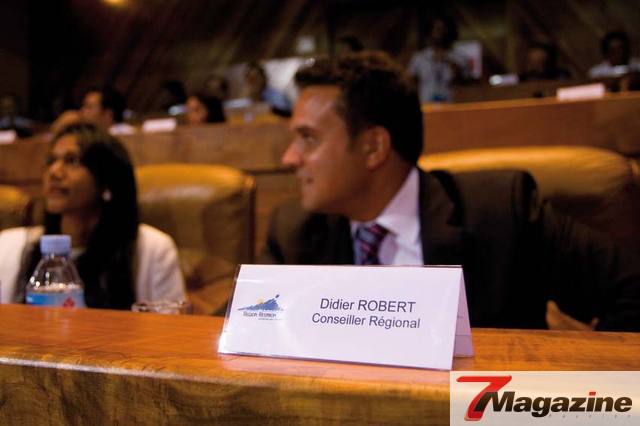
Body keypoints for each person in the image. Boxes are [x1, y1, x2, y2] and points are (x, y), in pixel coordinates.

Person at [261, 51, 640, 331]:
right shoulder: (294, 232)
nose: (289, 158)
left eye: (308, 138)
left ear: (374, 147)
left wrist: (573, 395)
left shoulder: (500, 213)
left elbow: (631, 291)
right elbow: (250, 328)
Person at [0, 123, 186, 308]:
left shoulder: (151, 249)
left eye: (72, 161)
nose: (54, 172)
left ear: (105, 180)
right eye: (51, 161)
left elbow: (172, 321)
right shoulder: (10, 246)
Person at [408, 15, 468, 102]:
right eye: (437, 29)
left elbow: (464, 81)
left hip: (450, 105)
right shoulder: (420, 57)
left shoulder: (458, 56)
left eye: (443, 29)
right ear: (429, 32)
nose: (440, 33)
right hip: (426, 105)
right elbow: (409, 80)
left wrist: (448, 61)